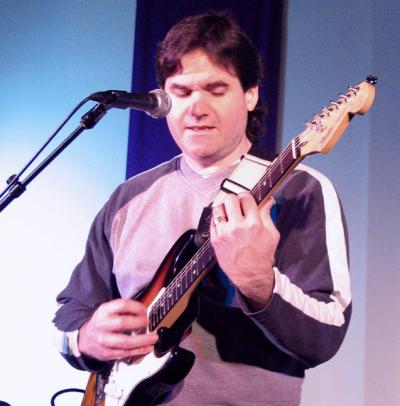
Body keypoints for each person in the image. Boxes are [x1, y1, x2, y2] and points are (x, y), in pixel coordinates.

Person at [53, 12, 351, 405]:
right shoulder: (127, 198)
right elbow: (72, 312)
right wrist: (86, 338)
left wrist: (259, 283)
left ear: (251, 94)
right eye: (180, 92)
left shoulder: (299, 190)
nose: (196, 108)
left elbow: (325, 337)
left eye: (216, 89)